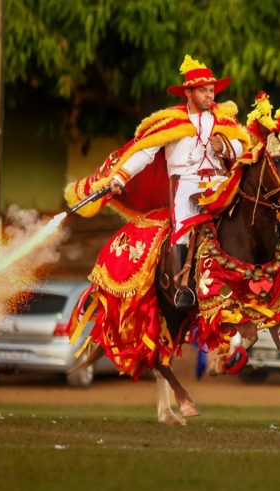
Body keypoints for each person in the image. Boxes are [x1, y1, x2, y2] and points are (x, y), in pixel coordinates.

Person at [106, 54, 248, 310]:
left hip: (220, 181)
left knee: (250, 213)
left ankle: (269, 273)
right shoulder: (171, 121)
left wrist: (226, 147)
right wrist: (120, 176)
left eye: (212, 90)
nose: (210, 95)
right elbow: (145, 152)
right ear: (189, 93)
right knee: (182, 226)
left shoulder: (224, 118)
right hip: (186, 183)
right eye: (203, 91)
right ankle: (183, 286)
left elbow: (243, 146)